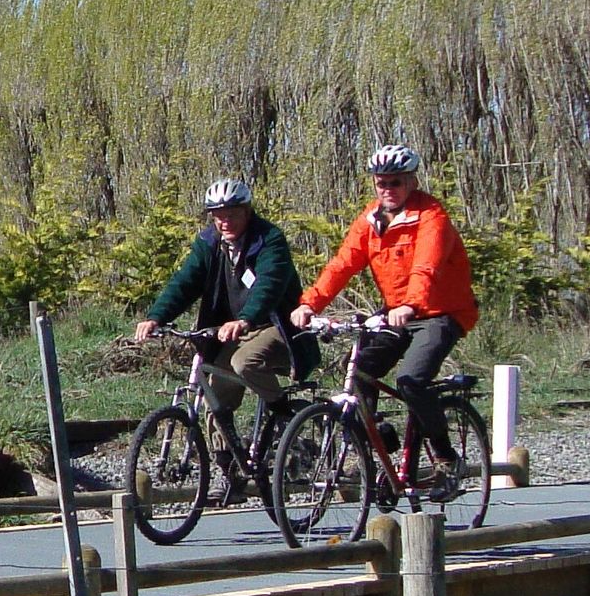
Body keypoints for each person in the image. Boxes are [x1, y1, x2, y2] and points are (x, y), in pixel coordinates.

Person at [288, 144, 478, 476]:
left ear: (412, 181)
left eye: (396, 183)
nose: (388, 190)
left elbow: (426, 266)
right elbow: (342, 265)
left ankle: (446, 457)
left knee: (410, 380)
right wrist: (309, 303)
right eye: (382, 183)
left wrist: (409, 303)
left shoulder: (432, 217)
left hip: (439, 313)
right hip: (396, 312)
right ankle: (371, 447)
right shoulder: (370, 220)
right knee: (359, 369)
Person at [134, 177, 307, 498]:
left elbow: (269, 285)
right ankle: (230, 472)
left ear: (247, 211)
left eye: (231, 214)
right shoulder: (210, 243)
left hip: (276, 326)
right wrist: (156, 316)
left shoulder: (269, 240)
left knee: (245, 361)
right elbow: (185, 281)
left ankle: (284, 413)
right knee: (215, 393)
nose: (224, 221)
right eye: (218, 215)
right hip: (231, 330)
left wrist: (245, 319)